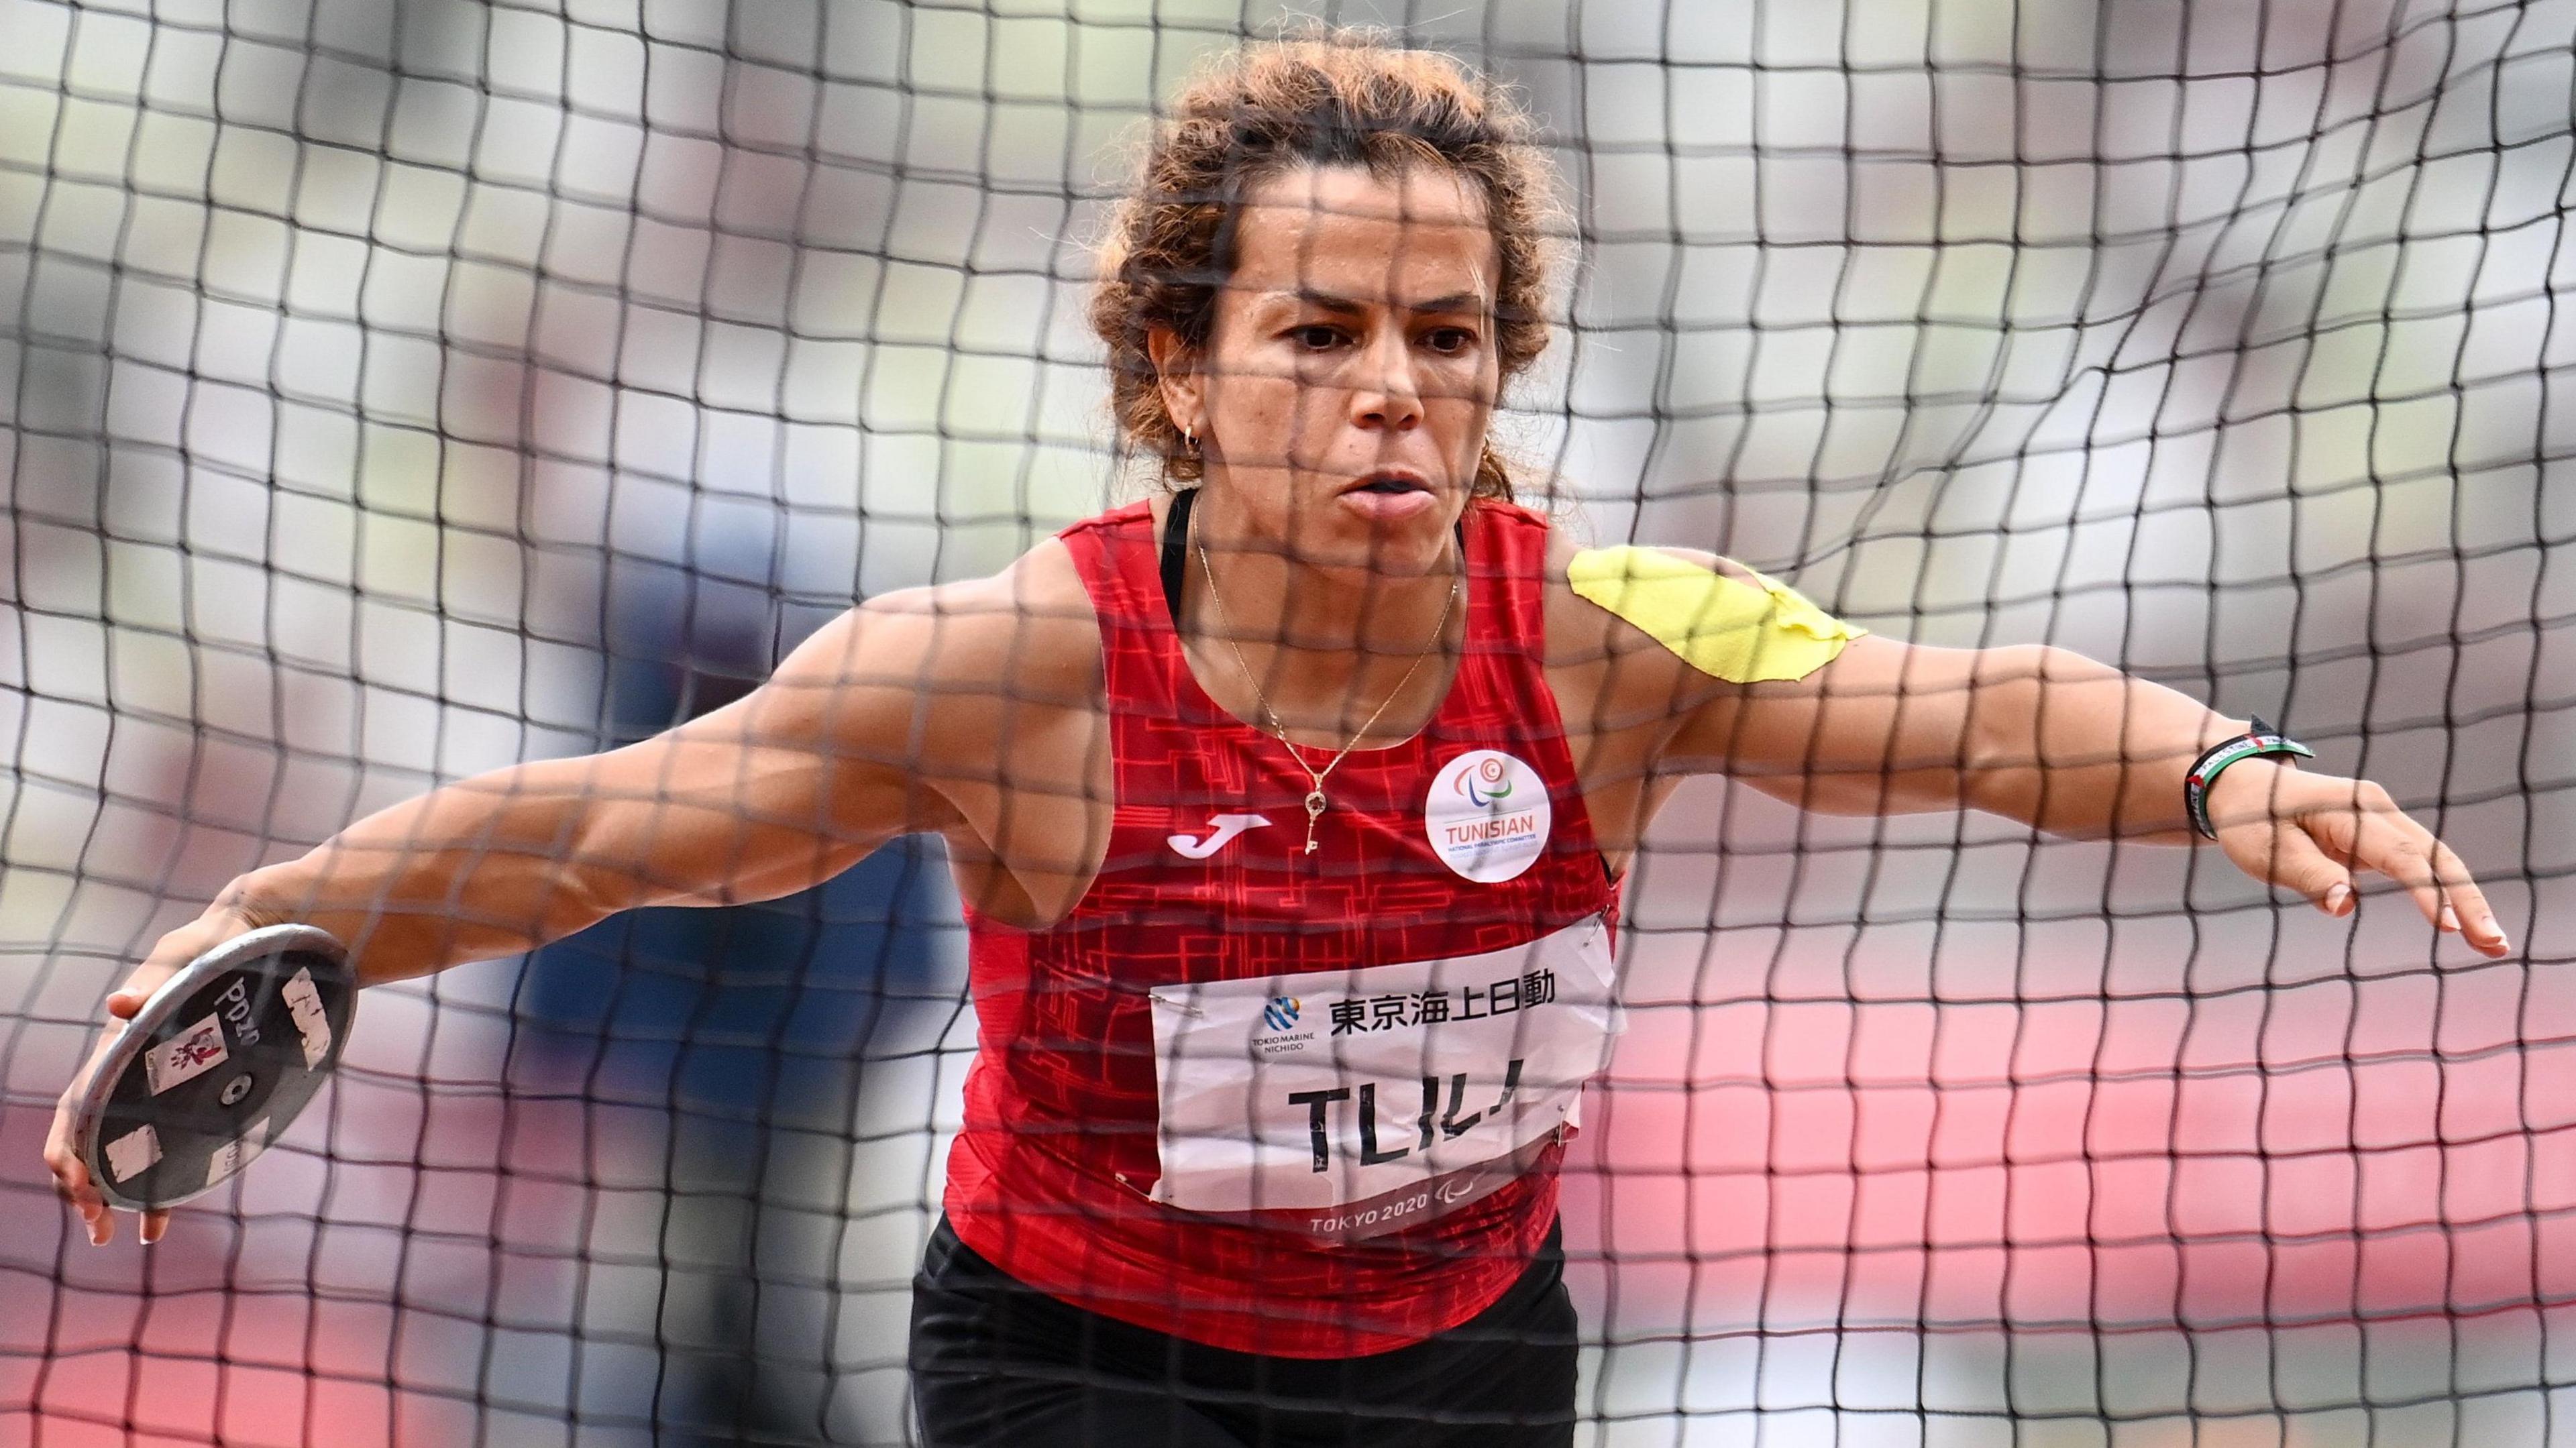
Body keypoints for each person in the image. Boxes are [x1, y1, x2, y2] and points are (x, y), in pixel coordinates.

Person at [48, 30, 2510, 1448]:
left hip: (1456, 1362)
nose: (1392, 393)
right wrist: (292, 921)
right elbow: (608, 835)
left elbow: (1947, 713)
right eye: (1319, 334)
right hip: (1075, 1359)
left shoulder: (1605, 641)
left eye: (1447, 338)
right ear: (1178, 375)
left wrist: (2214, 772)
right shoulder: (1011, 674)